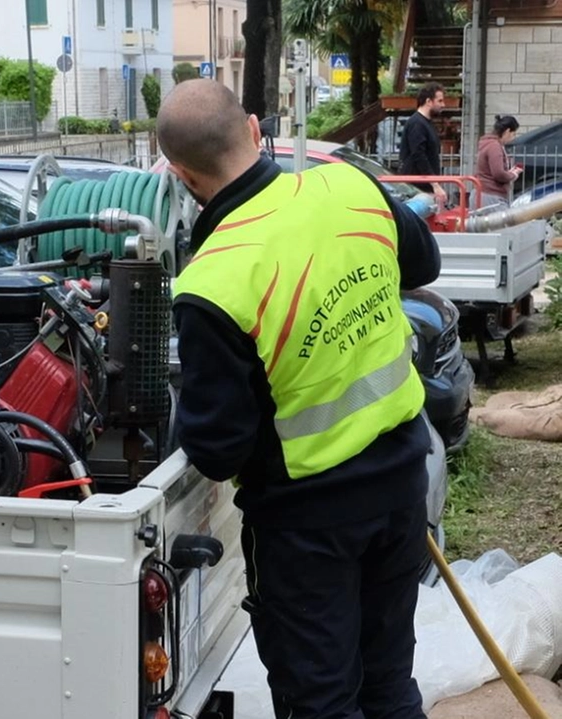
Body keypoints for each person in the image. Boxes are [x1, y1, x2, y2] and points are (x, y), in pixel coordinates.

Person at [157, 79, 441, 719]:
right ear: (256, 130)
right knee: (390, 686)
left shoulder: (212, 280)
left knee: (322, 703)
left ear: (181, 175)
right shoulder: (347, 186)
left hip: (307, 530)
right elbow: (421, 264)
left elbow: (219, 448)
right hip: (401, 485)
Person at [399, 82, 447, 206]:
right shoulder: (417, 124)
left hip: (422, 186)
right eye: (440, 101)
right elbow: (419, 155)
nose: (443, 105)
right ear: (428, 101)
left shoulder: (424, 123)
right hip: (417, 188)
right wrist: (435, 184)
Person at [475, 114, 523, 207]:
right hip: (492, 196)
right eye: (513, 134)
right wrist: (513, 174)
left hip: (482, 193)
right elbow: (498, 174)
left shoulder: (487, 143)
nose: (513, 138)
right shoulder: (495, 146)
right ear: (508, 131)